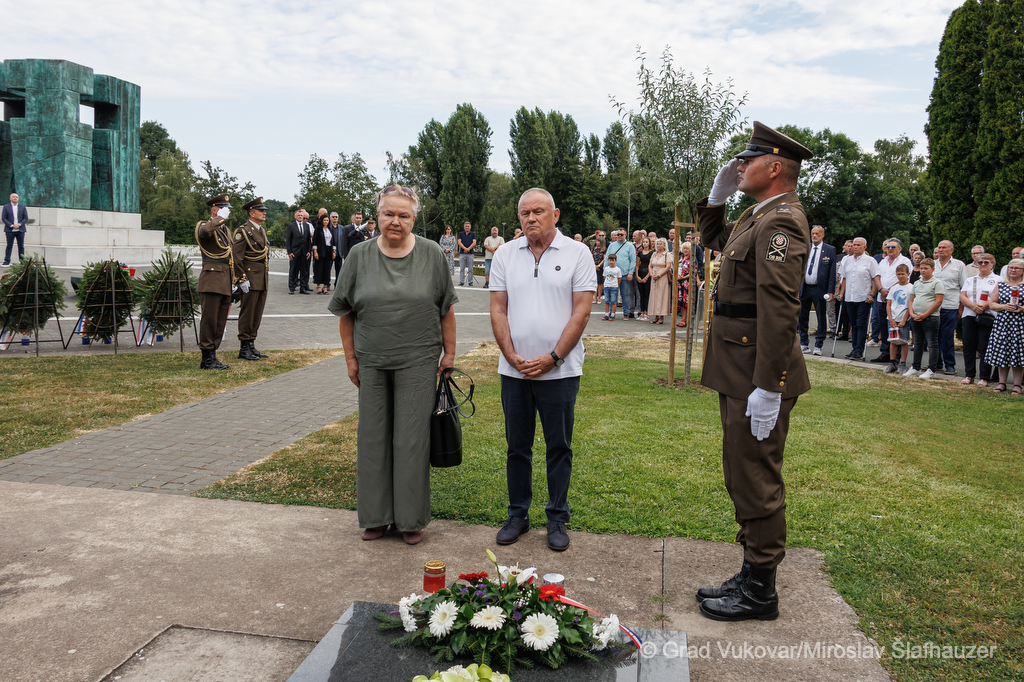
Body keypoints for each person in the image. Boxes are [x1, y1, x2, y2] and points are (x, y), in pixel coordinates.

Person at [694, 121, 814, 622]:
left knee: (756, 475)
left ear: (775, 167)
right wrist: (716, 198)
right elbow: (716, 241)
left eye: (749, 160)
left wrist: (769, 386)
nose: (739, 166)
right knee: (741, 471)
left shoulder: (782, 222)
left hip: (756, 372)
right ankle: (751, 570)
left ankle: (761, 589)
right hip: (739, 366)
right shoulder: (757, 215)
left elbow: (780, 308)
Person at [329, 184, 457, 545]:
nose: (395, 221)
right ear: (378, 216)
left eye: (404, 215)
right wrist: (350, 358)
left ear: (414, 219)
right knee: (373, 438)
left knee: (411, 440)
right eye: (389, 214)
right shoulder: (359, 255)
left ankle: (410, 520)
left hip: (418, 362)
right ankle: (376, 517)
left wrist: (449, 354)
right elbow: (345, 312)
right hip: (371, 362)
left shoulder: (432, 254)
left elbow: (446, 309)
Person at [490, 187, 597, 552]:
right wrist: (510, 355)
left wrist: (554, 357)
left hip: (560, 372)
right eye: (525, 213)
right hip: (514, 371)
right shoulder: (505, 254)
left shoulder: (577, 253)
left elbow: (582, 311)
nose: (531, 217)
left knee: (558, 446)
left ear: (556, 214)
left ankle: (557, 517)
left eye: (538, 211)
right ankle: (517, 515)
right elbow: (498, 308)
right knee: (517, 447)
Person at [194, 193, 235, 370]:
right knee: (209, 320)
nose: (227, 212)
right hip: (211, 280)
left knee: (220, 320)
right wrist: (219, 219)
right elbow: (204, 233)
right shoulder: (205, 225)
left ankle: (213, 355)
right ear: (214, 210)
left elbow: (231, 255)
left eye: (228, 209)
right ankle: (206, 357)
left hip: (225, 280)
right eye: (224, 209)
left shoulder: (225, 230)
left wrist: (235, 279)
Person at [232, 197, 271, 361]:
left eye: (264, 210)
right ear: (251, 213)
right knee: (248, 313)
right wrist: (242, 279)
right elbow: (237, 257)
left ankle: (251, 344)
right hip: (250, 278)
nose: (264, 213)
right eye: (260, 210)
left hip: (261, 278)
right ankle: (244, 347)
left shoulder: (261, 230)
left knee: (257, 313)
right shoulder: (243, 231)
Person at [869, 239, 913, 364]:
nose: (890, 249)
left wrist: (889, 291)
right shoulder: (883, 261)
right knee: (883, 326)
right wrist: (881, 290)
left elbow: (903, 278)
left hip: (897, 299)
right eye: (888, 247)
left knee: (897, 327)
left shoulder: (904, 261)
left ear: (900, 248)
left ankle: (897, 356)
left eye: (893, 247)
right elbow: (877, 276)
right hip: (881, 297)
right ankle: (885, 352)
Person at [959, 253, 1000, 385]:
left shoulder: (998, 280)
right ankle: (969, 375)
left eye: (986, 262)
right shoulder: (970, 280)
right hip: (969, 314)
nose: (982, 264)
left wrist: (983, 306)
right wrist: (973, 306)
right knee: (969, 346)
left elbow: (996, 297)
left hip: (987, 315)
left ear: (992, 264)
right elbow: (963, 295)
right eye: (980, 262)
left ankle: (984, 377)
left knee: (985, 347)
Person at [985, 259, 1024, 394]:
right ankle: (1002, 383)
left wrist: (1022, 308)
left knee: (1018, 353)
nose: (1013, 270)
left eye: (1016, 268)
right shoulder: (1001, 285)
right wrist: (1003, 306)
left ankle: (1017, 385)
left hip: (1020, 324)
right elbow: (992, 304)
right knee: (1003, 352)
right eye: (1011, 268)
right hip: (1003, 323)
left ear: (1022, 271)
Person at [836, 237, 880, 361]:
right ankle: (854, 348)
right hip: (850, 297)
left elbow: (876, 278)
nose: (855, 247)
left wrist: (872, 295)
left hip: (863, 297)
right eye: (854, 245)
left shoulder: (870, 261)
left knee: (861, 324)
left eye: (858, 245)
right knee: (853, 324)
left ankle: (859, 350)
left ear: (864, 247)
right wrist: (841, 292)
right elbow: (844, 278)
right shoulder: (847, 260)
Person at [903, 258, 944, 379]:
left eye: (926, 268)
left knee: (932, 344)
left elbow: (938, 301)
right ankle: (915, 367)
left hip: (931, 317)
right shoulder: (917, 283)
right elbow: (911, 299)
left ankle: (932, 369)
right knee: (917, 343)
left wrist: (925, 314)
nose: (923, 270)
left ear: (933, 269)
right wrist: (911, 313)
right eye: (921, 268)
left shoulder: (937, 283)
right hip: (916, 316)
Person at [798, 225, 836, 355]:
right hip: (805, 287)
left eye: (817, 234)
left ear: (823, 235)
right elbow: (799, 268)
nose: (814, 236)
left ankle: (819, 344)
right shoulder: (806, 248)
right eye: (813, 233)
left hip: (819, 288)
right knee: (802, 316)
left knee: (821, 316)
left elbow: (832, 272)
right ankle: (803, 343)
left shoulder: (829, 250)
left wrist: (830, 290)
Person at [933, 240, 967, 375]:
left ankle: (950, 365)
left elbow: (964, 287)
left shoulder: (959, 265)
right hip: (933, 307)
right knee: (934, 337)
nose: (941, 250)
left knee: (947, 336)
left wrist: (961, 307)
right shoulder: (932, 264)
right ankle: (935, 363)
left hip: (950, 306)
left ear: (951, 250)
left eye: (944, 247)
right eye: (939, 247)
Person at [884, 264, 913, 375]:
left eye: (903, 274)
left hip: (903, 319)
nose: (900, 276)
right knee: (893, 341)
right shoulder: (894, 288)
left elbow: (910, 305)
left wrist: (905, 319)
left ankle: (903, 363)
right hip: (893, 318)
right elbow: (889, 304)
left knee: (903, 341)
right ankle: (892, 363)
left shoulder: (911, 288)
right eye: (898, 274)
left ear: (908, 274)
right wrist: (891, 318)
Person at [605, 229, 636, 319]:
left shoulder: (630, 246)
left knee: (625, 294)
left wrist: (630, 272)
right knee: (612, 295)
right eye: (618, 234)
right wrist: (605, 270)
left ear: (625, 235)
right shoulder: (612, 245)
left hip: (624, 274)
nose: (619, 236)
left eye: (621, 234)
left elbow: (633, 260)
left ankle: (626, 313)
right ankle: (611, 313)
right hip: (612, 274)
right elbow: (607, 257)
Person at [285, 209, 312, 295]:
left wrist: (309, 251)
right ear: (295, 216)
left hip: (304, 252)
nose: (300, 217)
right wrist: (289, 252)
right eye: (298, 215)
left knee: (304, 270)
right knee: (293, 270)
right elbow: (288, 240)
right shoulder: (291, 226)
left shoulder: (306, 226)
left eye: (301, 215)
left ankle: (303, 288)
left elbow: (309, 240)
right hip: (294, 251)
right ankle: (292, 287)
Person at [648, 238, 672, 324]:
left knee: (662, 296)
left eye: (660, 244)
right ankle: (656, 315)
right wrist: (651, 274)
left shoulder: (667, 254)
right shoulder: (654, 254)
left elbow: (668, 266)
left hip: (662, 276)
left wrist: (659, 275)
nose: (658, 246)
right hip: (654, 276)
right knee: (654, 295)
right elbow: (650, 265)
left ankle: (661, 316)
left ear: (664, 245)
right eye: (657, 244)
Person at [311, 213, 336, 294]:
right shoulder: (318, 229)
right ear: (321, 221)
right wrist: (315, 252)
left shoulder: (330, 230)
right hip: (320, 251)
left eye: (327, 220)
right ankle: (318, 286)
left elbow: (333, 242)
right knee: (319, 269)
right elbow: (314, 241)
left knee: (327, 269)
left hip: (329, 251)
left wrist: (334, 252)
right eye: (324, 220)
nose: (326, 222)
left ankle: (325, 287)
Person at [3, 192, 29, 266]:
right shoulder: (6, 207)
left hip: (20, 230)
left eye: (16, 197)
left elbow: (25, 218)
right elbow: (4, 218)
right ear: (10, 198)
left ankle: (22, 262)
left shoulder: (22, 207)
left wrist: (19, 224)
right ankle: (7, 261)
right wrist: (11, 225)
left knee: (21, 246)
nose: (15, 198)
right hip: (10, 230)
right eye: (13, 197)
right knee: (9, 246)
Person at [677, 241, 698, 327]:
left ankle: (688, 320)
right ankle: (683, 319)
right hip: (680, 282)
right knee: (681, 300)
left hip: (687, 282)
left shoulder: (693, 259)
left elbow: (694, 272)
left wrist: (684, 277)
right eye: (684, 248)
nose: (685, 250)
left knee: (687, 301)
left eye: (687, 249)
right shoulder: (680, 257)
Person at [635, 236, 654, 320]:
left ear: (649, 243)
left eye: (646, 242)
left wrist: (647, 277)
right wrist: (637, 276)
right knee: (641, 295)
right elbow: (637, 265)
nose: (645, 243)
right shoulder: (640, 253)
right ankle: (641, 312)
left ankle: (646, 312)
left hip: (648, 274)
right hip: (640, 273)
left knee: (647, 294)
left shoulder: (652, 253)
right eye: (644, 242)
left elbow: (652, 266)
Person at [602, 253, 622, 321]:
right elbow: (604, 276)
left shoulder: (617, 269)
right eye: (610, 260)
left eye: (612, 260)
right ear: (608, 260)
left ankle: (613, 314)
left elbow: (619, 278)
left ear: (615, 261)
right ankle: (606, 314)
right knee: (606, 301)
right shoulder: (606, 269)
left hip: (614, 287)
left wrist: (617, 285)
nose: (611, 262)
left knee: (613, 301)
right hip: (607, 286)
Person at [329, 212, 343, 287]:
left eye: (336, 217)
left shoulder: (342, 228)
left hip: (339, 252)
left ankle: (337, 285)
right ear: (330, 218)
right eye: (333, 217)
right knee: (328, 269)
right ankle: (327, 284)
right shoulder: (327, 227)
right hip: (329, 252)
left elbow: (343, 240)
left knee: (339, 270)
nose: (335, 218)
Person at [592, 237, 606, 304]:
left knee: (600, 283)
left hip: (600, 267)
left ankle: (599, 297)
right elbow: (591, 257)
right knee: (595, 282)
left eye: (598, 241)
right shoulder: (594, 249)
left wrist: (599, 265)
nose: (596, 242)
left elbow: (604, 259)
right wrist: (594, 265)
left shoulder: (604, 250)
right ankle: (595, 297)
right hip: (594, 266)